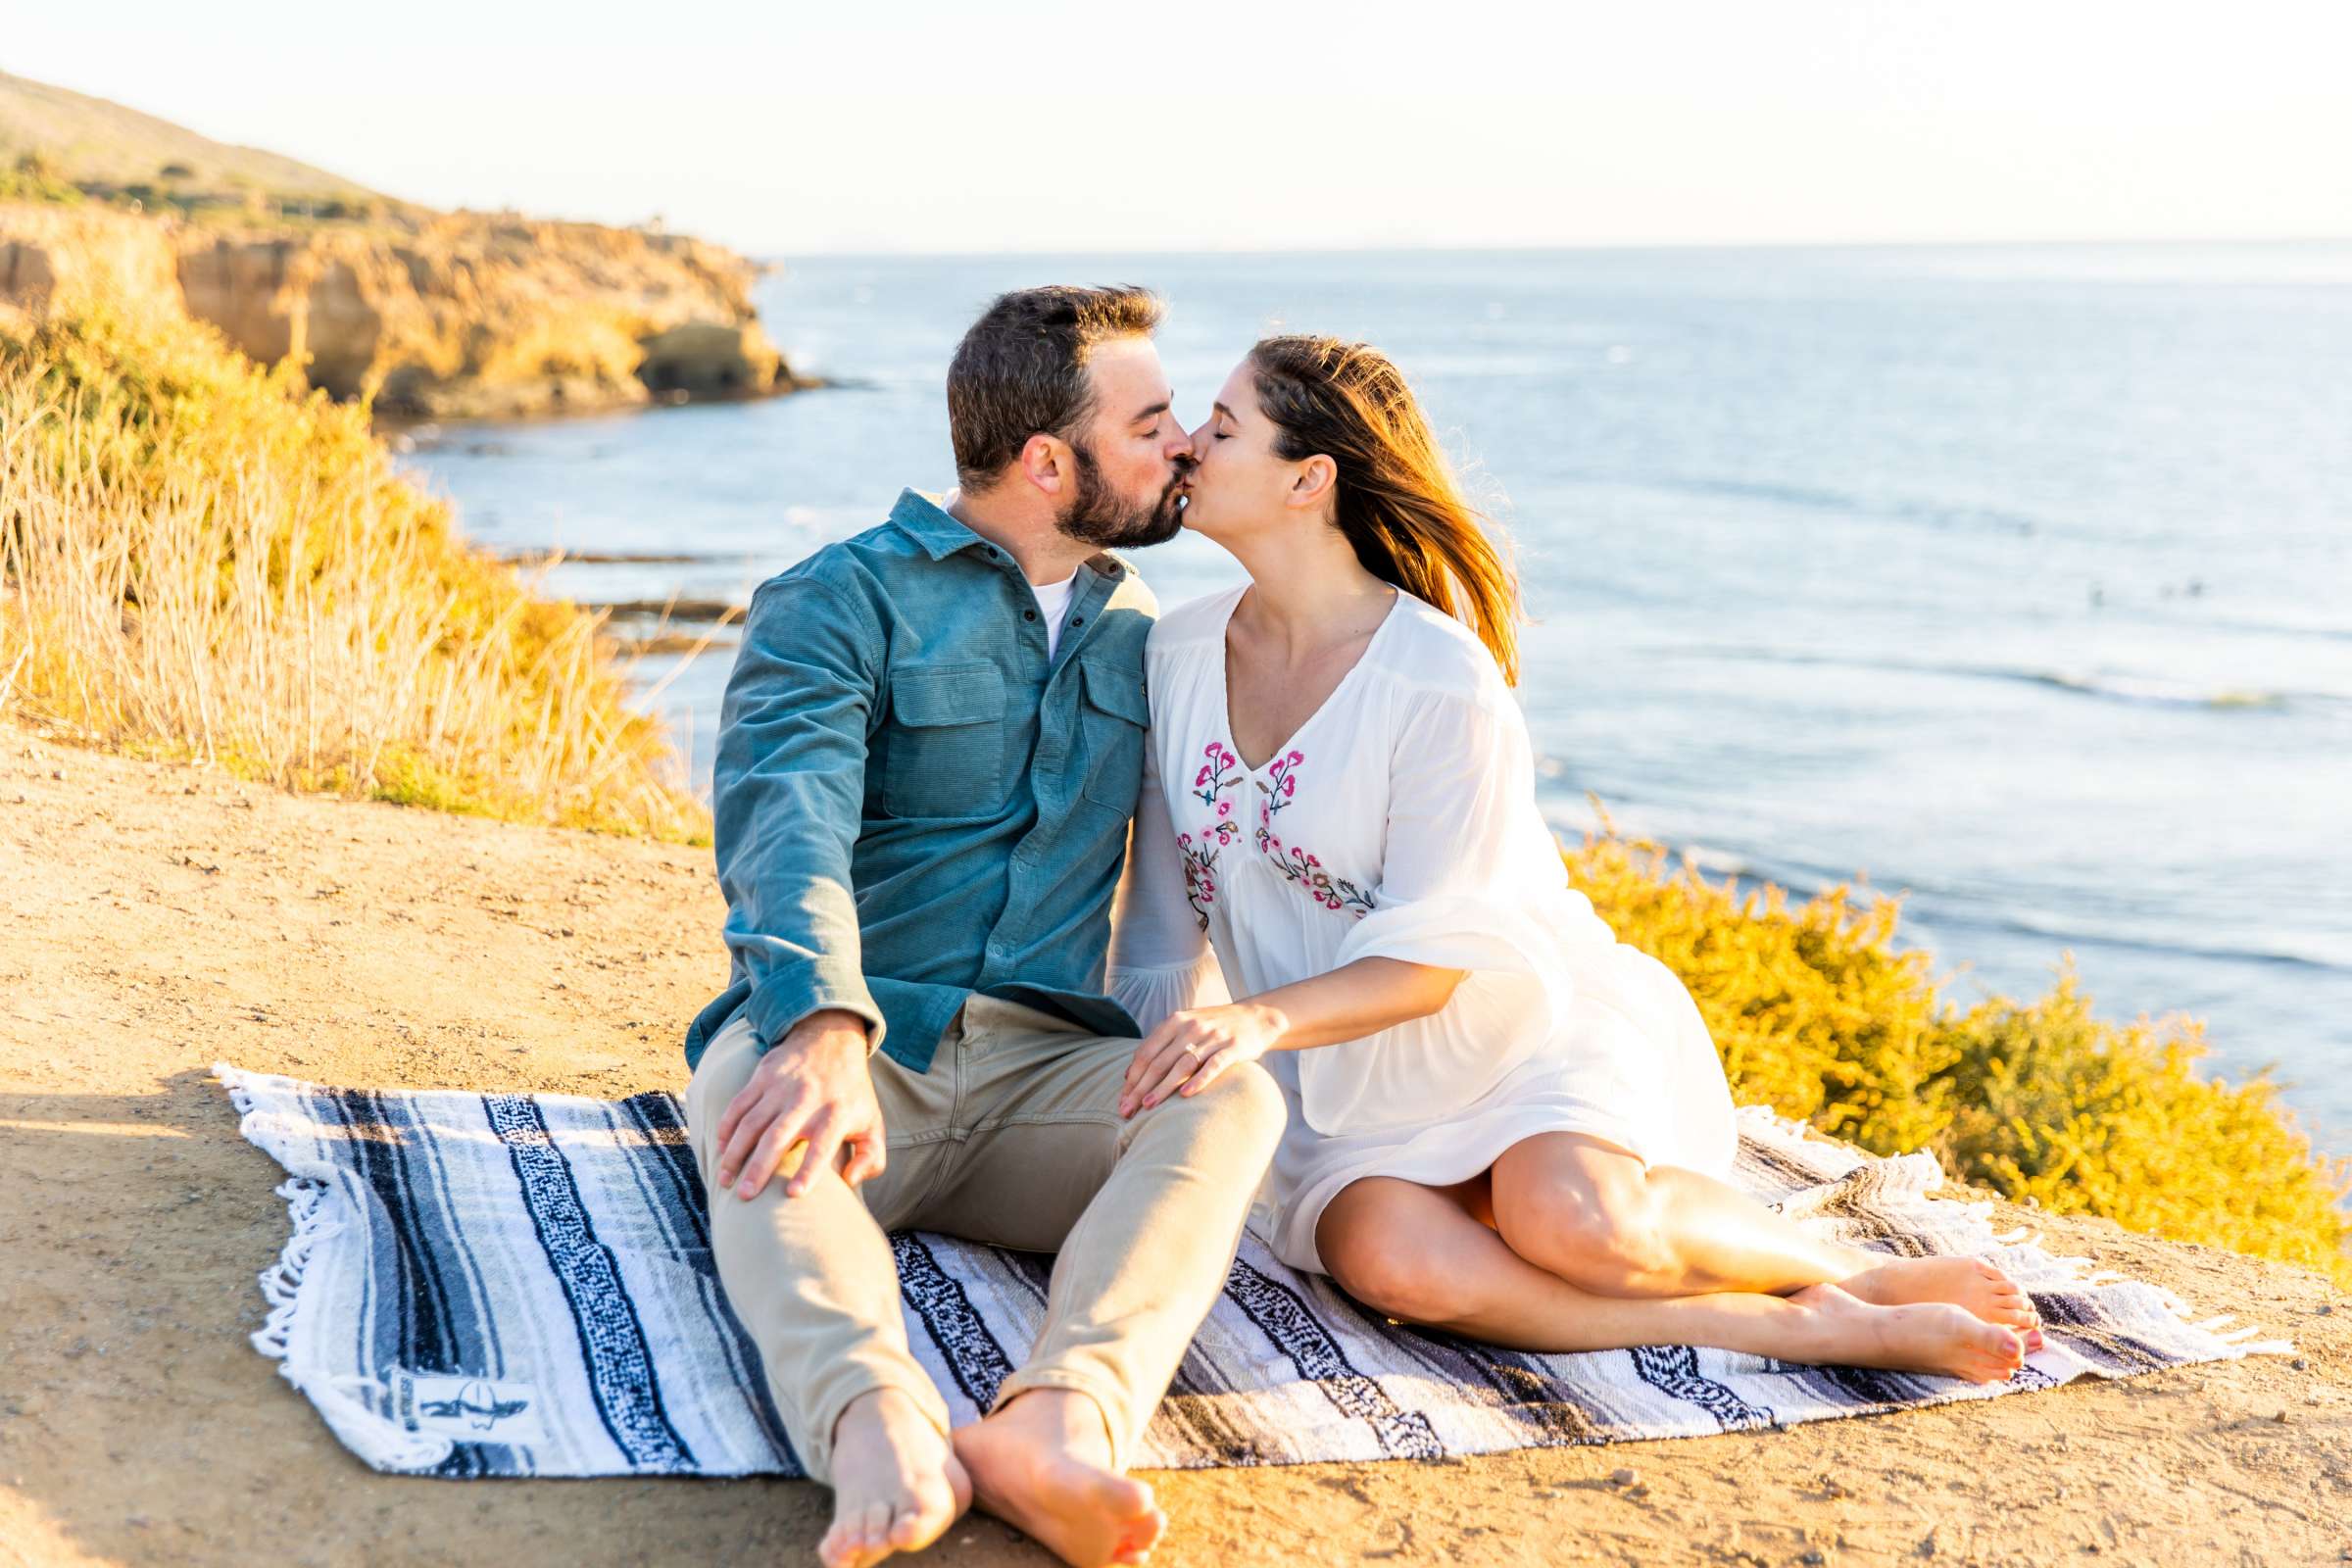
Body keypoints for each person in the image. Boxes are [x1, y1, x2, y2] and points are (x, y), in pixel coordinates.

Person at [1104, 334, 2044, 1382]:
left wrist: (1259, 1016)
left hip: (1518, 1032)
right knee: (1391, 1263)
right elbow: (1157, 937)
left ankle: (1843, 1272)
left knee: (1574, 1225)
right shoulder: (1174, 657)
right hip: (1334, 1089)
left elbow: (1436, 964)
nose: (1185, 446)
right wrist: (1132, 1102)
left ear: (1308, 480)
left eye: (1221, 429)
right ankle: (1786, 1324)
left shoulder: (1435, 678)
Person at [683, 285, 1285, 1568]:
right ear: (1046, 461)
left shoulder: (1150, 636)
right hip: (857, 1050)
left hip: (1039, 1080)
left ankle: (1061, 1422)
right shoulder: (839, 598)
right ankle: (873, 1423)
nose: (1183, 445)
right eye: (1153, 424)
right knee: (757, 1124)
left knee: (1232, 1105)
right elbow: (783, 821)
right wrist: (820, 1026)